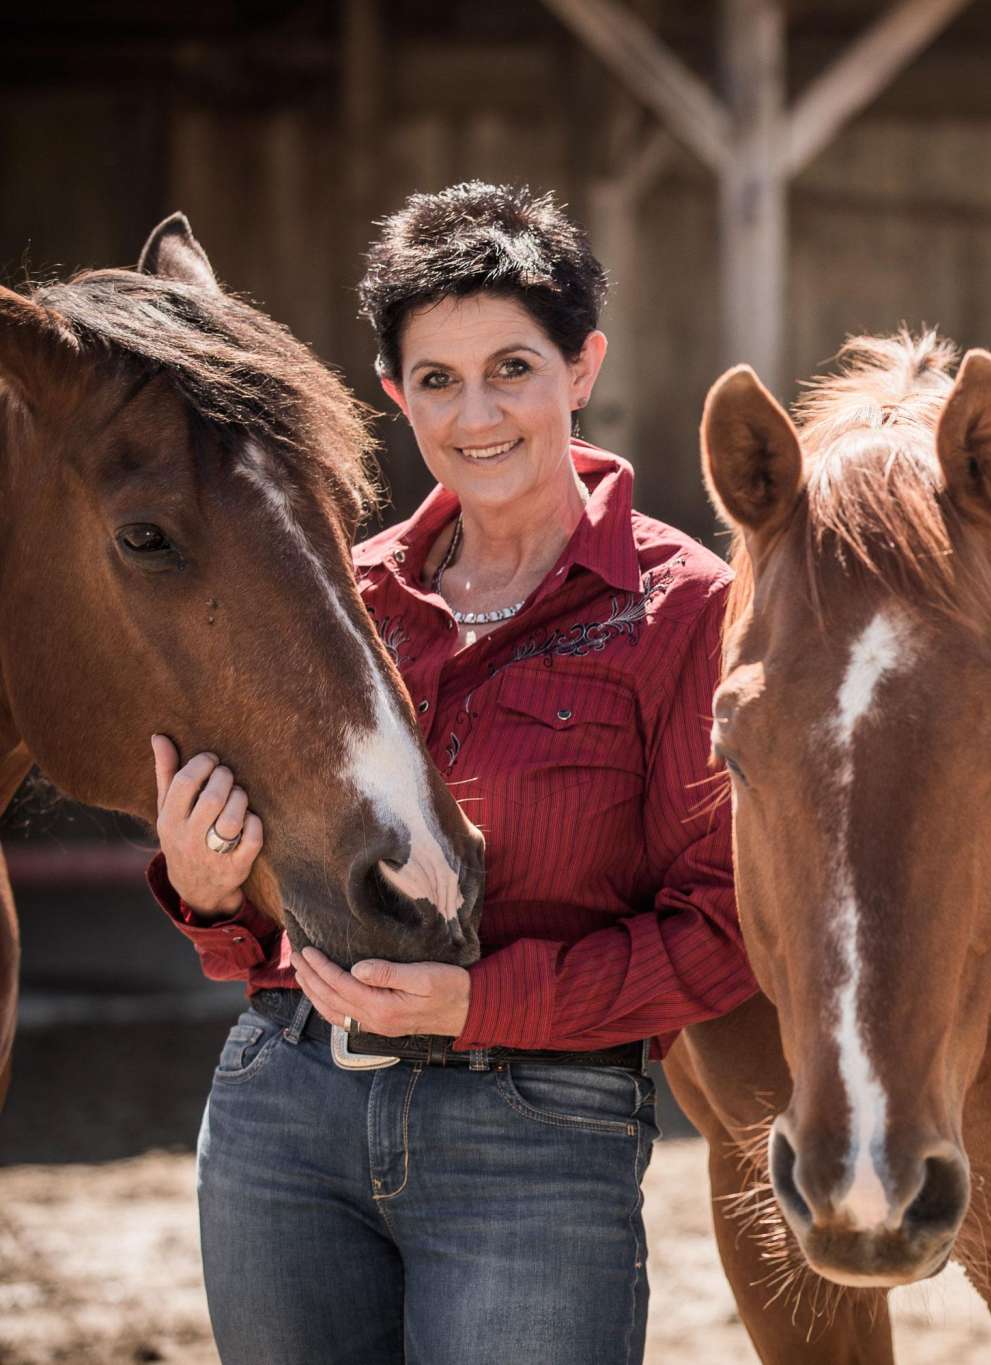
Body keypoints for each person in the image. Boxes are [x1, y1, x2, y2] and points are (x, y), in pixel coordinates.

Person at [147, 181, 754, 1364]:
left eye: (512, 369)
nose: (475, 415)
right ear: (393, 393)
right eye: (436, 379)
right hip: (284, 1108)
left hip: (535, 1135)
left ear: (582, 368)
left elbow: (724, 931)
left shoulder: (685, 609)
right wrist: (207, 890)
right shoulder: (342, 593)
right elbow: (255, 920)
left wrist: (484, 1004)